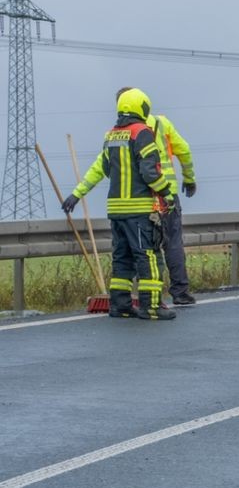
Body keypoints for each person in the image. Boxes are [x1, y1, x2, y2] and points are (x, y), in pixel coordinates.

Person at [62, 88, 176, 320]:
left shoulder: (112, 135)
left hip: (116, 212)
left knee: (122, 258)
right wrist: (167, 192)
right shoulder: (142, 133)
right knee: (148, 257)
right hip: (139, 211)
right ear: (142, 107)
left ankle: (121, 306)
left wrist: (76, 194)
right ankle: (151, 307)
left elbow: (100, 169)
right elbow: (150, 172)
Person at [117, 87, 198, 305]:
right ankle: (180, 292)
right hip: (167, 193)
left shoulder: (124, 131)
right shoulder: (162, 123)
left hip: (142, 197)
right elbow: (185, 150)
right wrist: (189, 178)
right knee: (172, 243)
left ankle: (153, 298)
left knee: (146, 249)